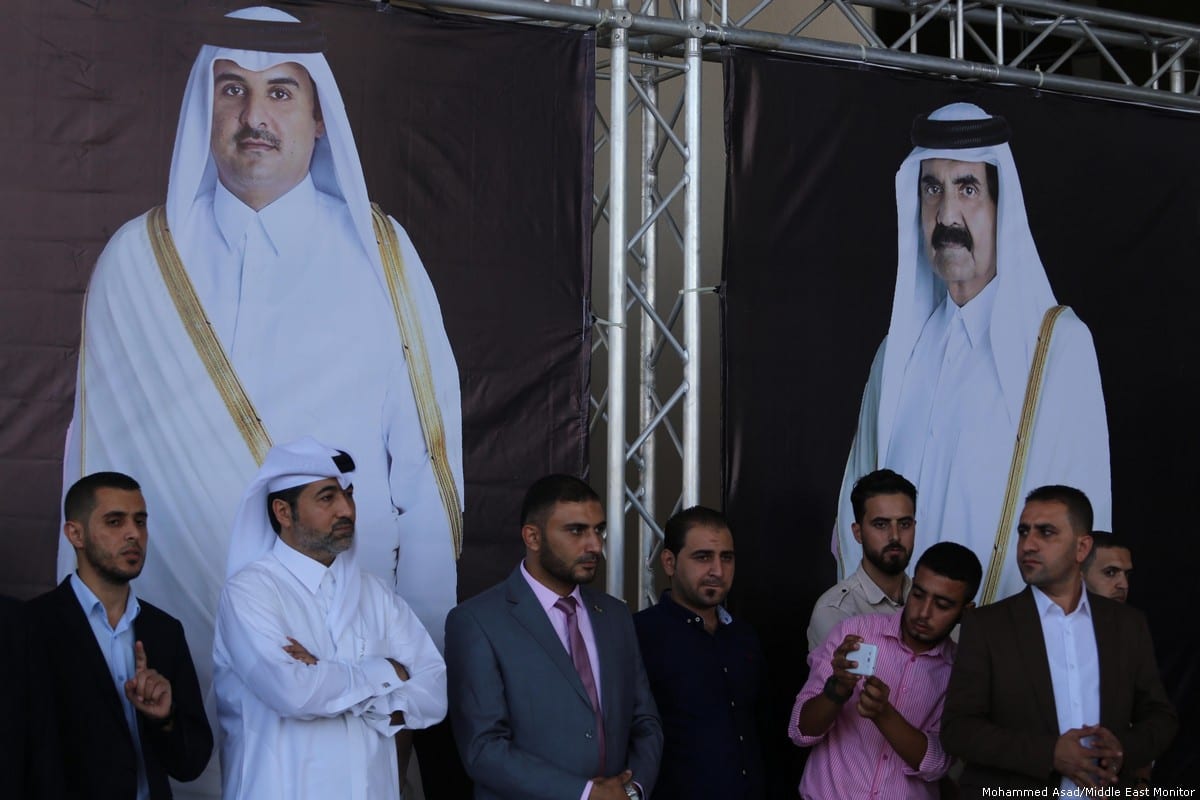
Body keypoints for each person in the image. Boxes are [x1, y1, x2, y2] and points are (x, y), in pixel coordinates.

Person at [58, 7, 463, 794]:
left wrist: (418, 656)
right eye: (231, 90)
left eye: (280, 93)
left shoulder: (381, 255)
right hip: (169, 632)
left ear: (319, 117)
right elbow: (86, 474)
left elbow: (424, 471)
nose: (253, 117)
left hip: (343, 615)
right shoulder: (137, 262)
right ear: (201, 111)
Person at [835, 102, 1110, 604]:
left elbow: (1078, 524)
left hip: (1001, 655)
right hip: (897, 654)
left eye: (967, 188)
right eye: (932, 189)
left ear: (1002, 208)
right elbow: (854, 500)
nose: (947, 216)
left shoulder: (1058, 347)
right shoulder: (897, 354)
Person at [213, 436, 447, 800]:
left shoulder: (376, 595)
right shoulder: (249, 593)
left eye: (348, 495)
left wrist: (324, 676)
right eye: (327, 498)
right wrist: (387, 672)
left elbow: (434, 692)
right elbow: (291, 691)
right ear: (283, 512)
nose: (347, 510)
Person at [941, 485, 1176, 795]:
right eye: (1024, 532)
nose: (1028, 545)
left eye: (1046, 532)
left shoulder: (1127, 625)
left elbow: (1161, 719)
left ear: (1082, 548)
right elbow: (958, 730)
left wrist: (1122, 749)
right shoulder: (987, 626)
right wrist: (1049, 753)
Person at [444, 474, 662, 800]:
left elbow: (645, 722)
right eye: (576, 531)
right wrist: (585, 793)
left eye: (598, 530)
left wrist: (632, 790)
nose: (595, 545)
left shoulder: (615, 616)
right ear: (532, 537)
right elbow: (483, 749)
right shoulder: (477, 621)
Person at [25, 472, 213, 800]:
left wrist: (165, 719)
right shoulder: (31, 627)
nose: (133, 534)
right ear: (75, 534)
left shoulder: (164, 631)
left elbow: (191, 764)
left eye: (140, 521)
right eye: (115, 522)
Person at [789, 542, 981, 800]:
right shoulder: (854, 633)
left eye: (942, 604)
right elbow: (800, 732)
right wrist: (837, 690)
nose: (924, 613)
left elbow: (938, 764)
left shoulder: (960, 672)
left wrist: (883, 714)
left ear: (966, 612)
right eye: (918, 594)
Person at [633, 506, 765, 799]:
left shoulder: (744, 637)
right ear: (669, 562)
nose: (717, 571)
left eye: (726, 558)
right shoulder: (638, 635)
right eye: (702, 557)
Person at [808, 469, 914, 652]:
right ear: (858, 533)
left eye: (904, 524)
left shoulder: (931, 603)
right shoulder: (836, 611)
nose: (895, 536)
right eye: (881, 524)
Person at [1082, 531, 1134, 603]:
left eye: (1127, 574)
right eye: (1110, 572)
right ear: (1079, 575)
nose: (1125, 585)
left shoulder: (1133, 614)